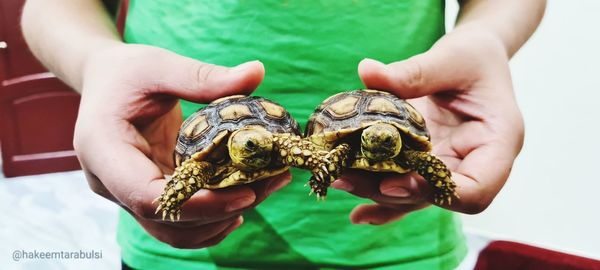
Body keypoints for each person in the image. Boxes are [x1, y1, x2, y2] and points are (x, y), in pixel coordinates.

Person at [21, 0, 545, 269]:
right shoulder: (224, 153)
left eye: (266, 144)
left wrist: (488, 38)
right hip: (176, 239)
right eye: (254, 145)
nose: (263, 147)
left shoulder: (331, 144)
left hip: (401, 242)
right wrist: (97, 62)